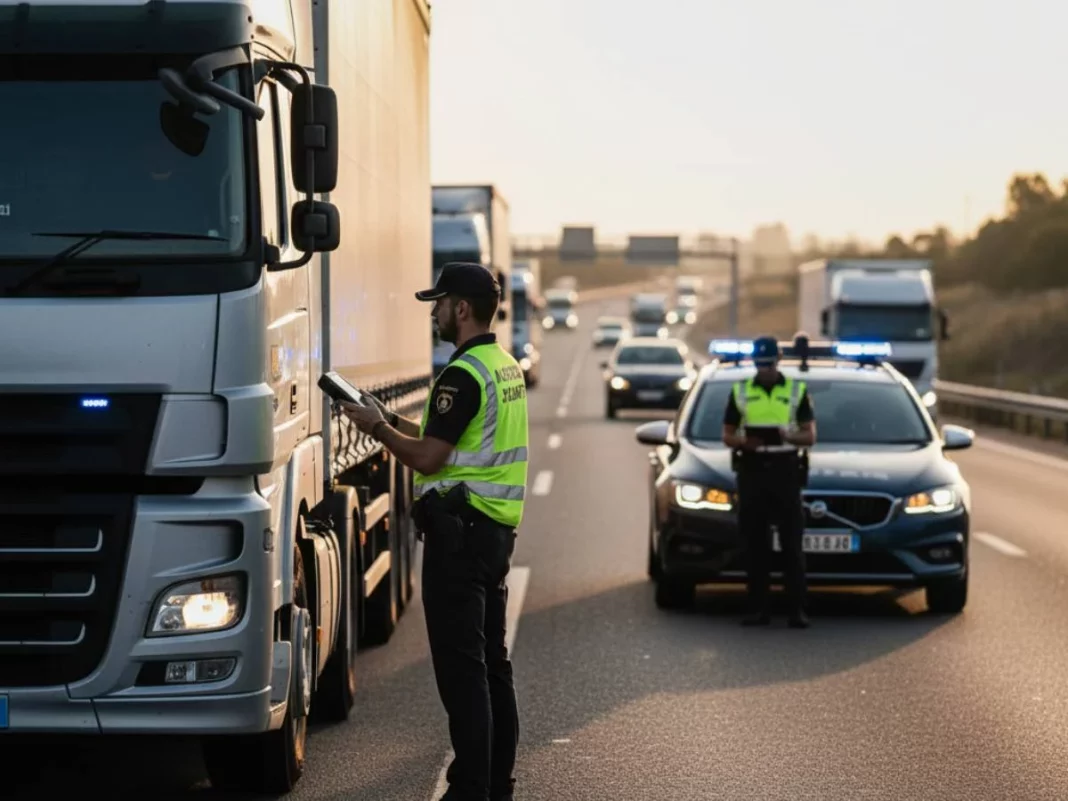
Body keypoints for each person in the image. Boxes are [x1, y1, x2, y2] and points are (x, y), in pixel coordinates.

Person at [340, 261, 528, 801]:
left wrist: (375, 429)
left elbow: (428, 459)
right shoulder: (502, 365)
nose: (434, 313)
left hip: (460, 539)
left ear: (461, 309)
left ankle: (470, 788)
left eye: (439, 303)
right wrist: (386, 419)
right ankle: (496, 784)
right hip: (491, 535)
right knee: (493, 668)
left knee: (463, 674)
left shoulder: (462, 374)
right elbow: (444, 443)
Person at [721, 335, 817, 629]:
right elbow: (727, 434)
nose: (764, 369)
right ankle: (757, 609)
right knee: (755, 544)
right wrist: (745, 441)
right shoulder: (739, 391)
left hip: (785, 470)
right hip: (751, 470)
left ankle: (796, 611)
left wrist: (787, 436)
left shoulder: (796, 390)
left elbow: (809, 435)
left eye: (769, 363)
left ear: (779, 360)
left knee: (791, 545)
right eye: (760, 364)